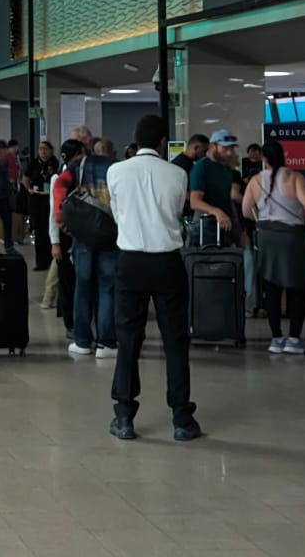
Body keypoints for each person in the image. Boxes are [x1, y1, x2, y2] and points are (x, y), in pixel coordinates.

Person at [106, 114, 199, 441]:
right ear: (163, 141)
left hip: (130, 261)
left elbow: (118, 214)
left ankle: (124, 415)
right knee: (175, 339)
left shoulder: (115, 172)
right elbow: (175, 214)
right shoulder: (177, 174)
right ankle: (181, 418)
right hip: (167, 262)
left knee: (128, 338)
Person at [242, 138, 305, 353]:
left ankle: (276, 338)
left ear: (264, 159)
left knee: (272, 287)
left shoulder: (255, 180)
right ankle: (294, 338)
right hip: (292, 237)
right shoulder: (294, 177)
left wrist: (262, 220)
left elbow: (245, 210)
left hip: (266, 236)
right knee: (297, 287)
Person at [66, 131, 119, 360]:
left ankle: (82, 341)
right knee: (107, 287)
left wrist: (63, 221)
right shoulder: (119, 167)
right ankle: (106, 343)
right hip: (111, 233)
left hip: (84, 234)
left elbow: (60, 189)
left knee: (83, 288)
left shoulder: (78, 166)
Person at [188, 130, 242, 244]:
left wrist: (236, 221)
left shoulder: (226, 169)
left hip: (225, 225)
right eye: (225, 149)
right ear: (213, 146)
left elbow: (227, 198)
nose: (229, 153)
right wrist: (216, 211)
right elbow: (195, 201)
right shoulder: (201, 167)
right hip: (206, 226)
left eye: (231, 149)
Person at [23, 140, 59, 271]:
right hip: (37, 200)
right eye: (40, 149)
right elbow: (25, 179)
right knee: (39, 232)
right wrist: (29, 189)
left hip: (50, 199)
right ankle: (40, 262)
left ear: (51, 150)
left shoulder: (55, 163)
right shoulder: (34, 163)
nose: (43, 152)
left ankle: (52, 261)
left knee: (51, 231)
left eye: (45, 149)